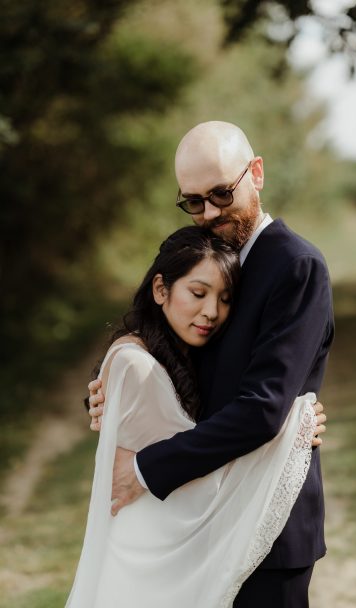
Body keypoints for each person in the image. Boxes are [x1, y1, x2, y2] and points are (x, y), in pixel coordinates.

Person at [88, 121, 333, 607]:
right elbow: (155, 343)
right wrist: (105, 393)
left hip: (266, 525)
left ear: (256, 173)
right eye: (193, 201)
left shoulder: (296, 266)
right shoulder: (205, 259)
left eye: (222, 193)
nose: (210, 212)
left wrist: (143, 469)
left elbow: (263, 408)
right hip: (195, 518)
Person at [67, 225, 321, 608]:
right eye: (198, 293)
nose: (212, 312)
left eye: (225, 299)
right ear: (160, 289)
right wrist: (292, 429)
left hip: (164, 547)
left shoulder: (173, 352)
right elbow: (204, 484)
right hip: (153, 555)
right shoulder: (137, 363)